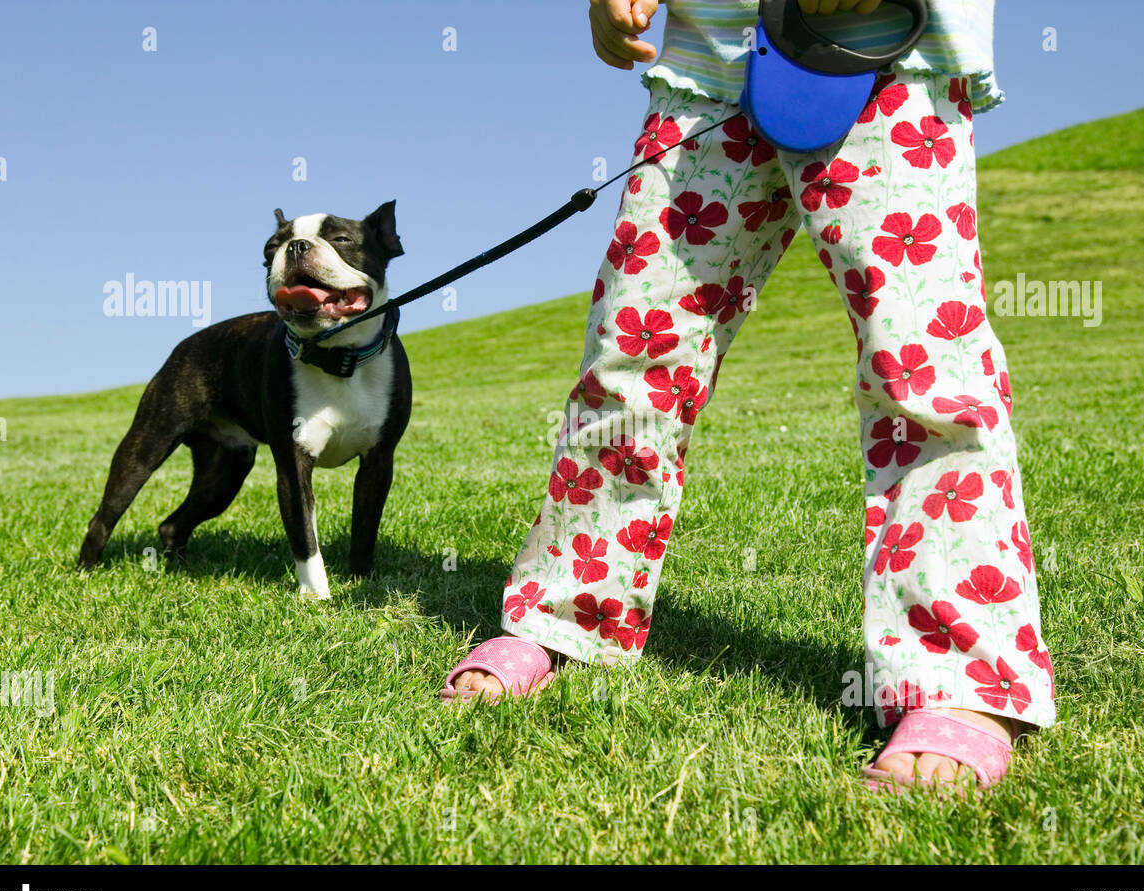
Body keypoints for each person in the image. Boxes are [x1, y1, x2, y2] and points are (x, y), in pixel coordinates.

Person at [441, 0, 1054, 793]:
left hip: (888, 58)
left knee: (923, 371)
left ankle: (959, 682)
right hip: (709, 72)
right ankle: (569, 611)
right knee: (634, 353)